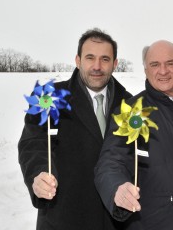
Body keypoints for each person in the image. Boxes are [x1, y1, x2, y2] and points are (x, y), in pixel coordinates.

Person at [94, 40, 173, 230]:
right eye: (155, 64)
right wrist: (116, 188)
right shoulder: (132, 111)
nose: (163, 71)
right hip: (158, 222)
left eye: (170, 63)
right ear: (145, 69)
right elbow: (110, 162)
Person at [18, 28, 132, 230]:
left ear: (115, 64)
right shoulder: (49, 98)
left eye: (105, 59)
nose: (97, 66)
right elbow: (33, 144)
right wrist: (39, 174)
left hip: (114, 220)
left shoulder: (130, 105)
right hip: (63, 217)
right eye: (90, 58)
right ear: (78, 60)